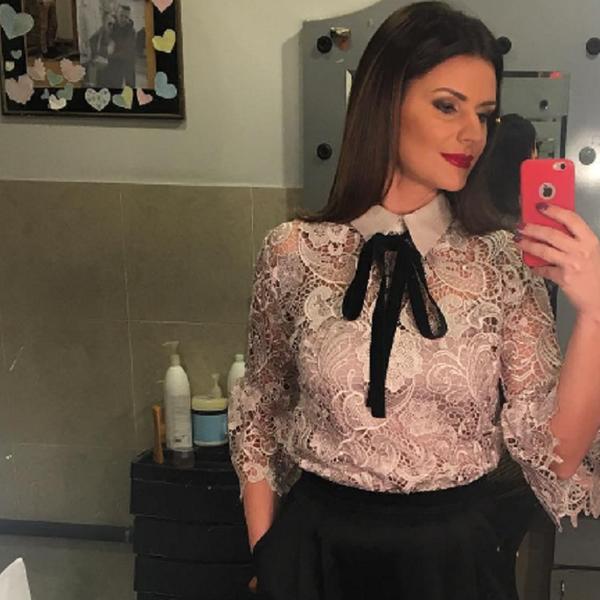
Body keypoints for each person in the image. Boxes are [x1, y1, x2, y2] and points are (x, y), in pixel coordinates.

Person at [228, 2, 600, 599]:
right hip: (316, 553)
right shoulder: (293, 251)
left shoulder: (503, 265)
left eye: (484, 114)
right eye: (448, 105)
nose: (473, 134)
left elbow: (553, 457)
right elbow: (260, 405)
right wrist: (268, 552)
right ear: (385, 102)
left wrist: (596, 314)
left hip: (453, 562)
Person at [107, 4, 137, 87]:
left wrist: (112, 52)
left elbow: (127, 49)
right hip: (114, 62)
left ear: (129, 18)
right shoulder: (111, 27)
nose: (123, 19)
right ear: (117, 14)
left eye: (126, 17)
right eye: (121, 15)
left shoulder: (132, 31)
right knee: (114, 85)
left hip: (128, 61)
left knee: (130, 86)